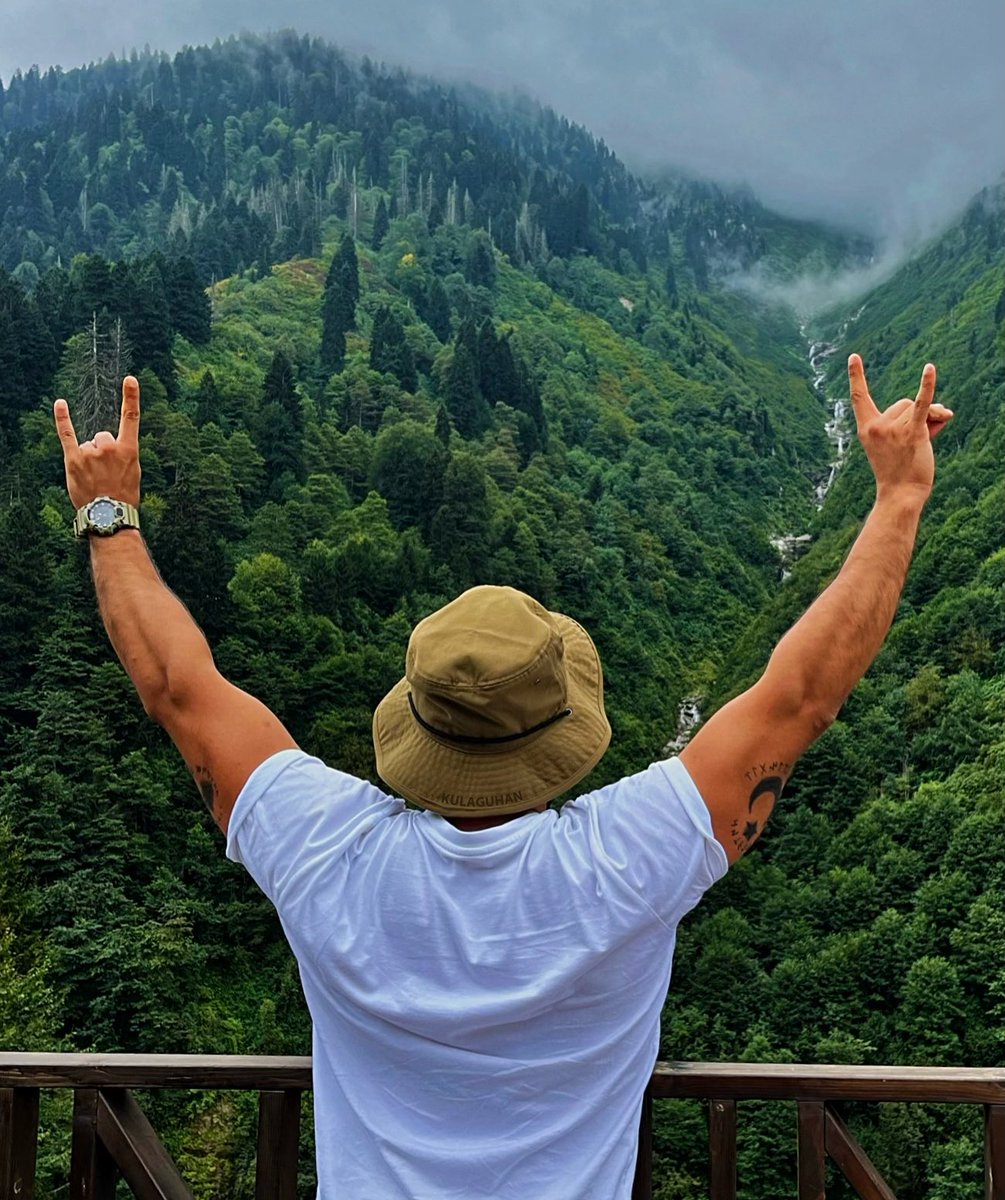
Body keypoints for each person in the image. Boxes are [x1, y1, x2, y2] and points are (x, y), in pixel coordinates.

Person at [54, 355, 951, 1198]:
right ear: (562, 728)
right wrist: (899, 495)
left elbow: (177, 689)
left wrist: (111, 520)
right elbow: (800, 698)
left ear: (415, 720)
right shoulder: (626, 859)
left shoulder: (321, 846)